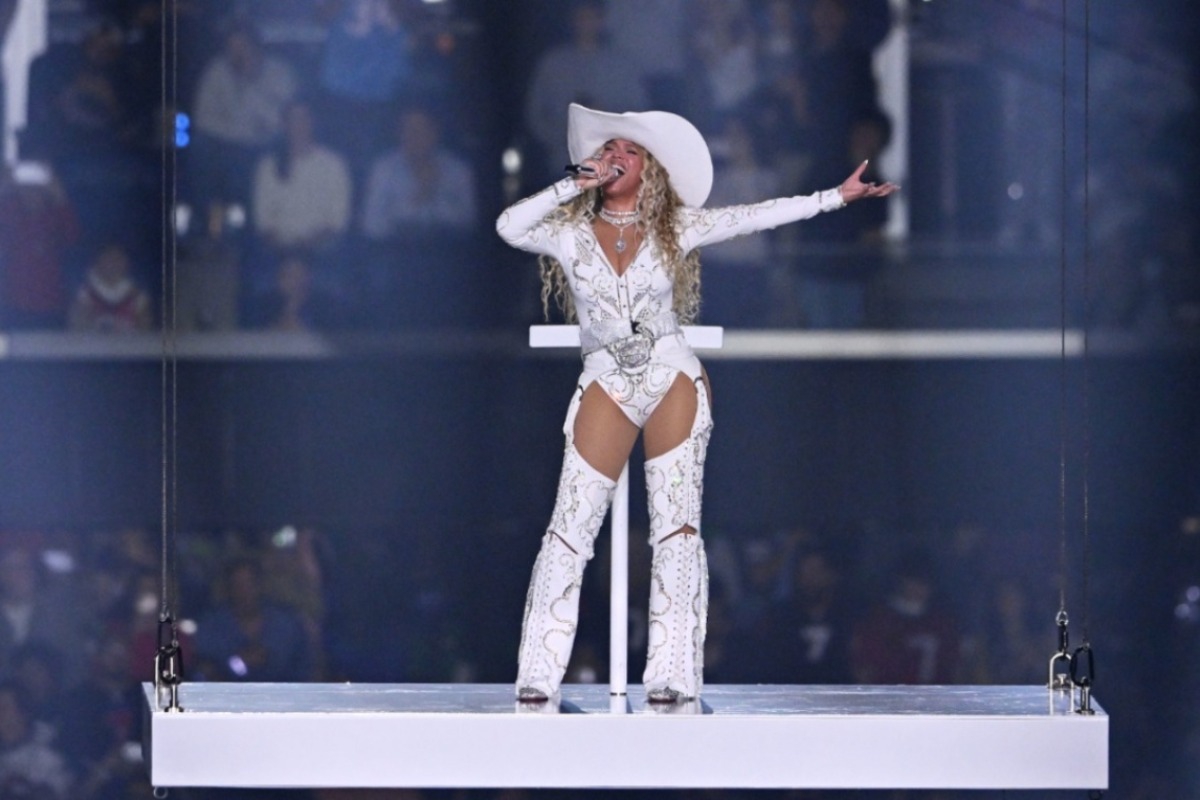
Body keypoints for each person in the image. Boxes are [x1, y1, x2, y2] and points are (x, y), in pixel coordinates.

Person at [495, 103, 895, 704]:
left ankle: (672, 672)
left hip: (670, 374)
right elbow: (509, 226)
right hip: (606, 376)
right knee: (570, 526)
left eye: (630, 150)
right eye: (608, 149)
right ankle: (538, 671)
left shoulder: (674, 227)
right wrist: (570, 185)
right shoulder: (568, 232)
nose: (616, 157)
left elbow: (755, 216)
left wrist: (834, 198)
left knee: (675, 528)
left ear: (650, 169)